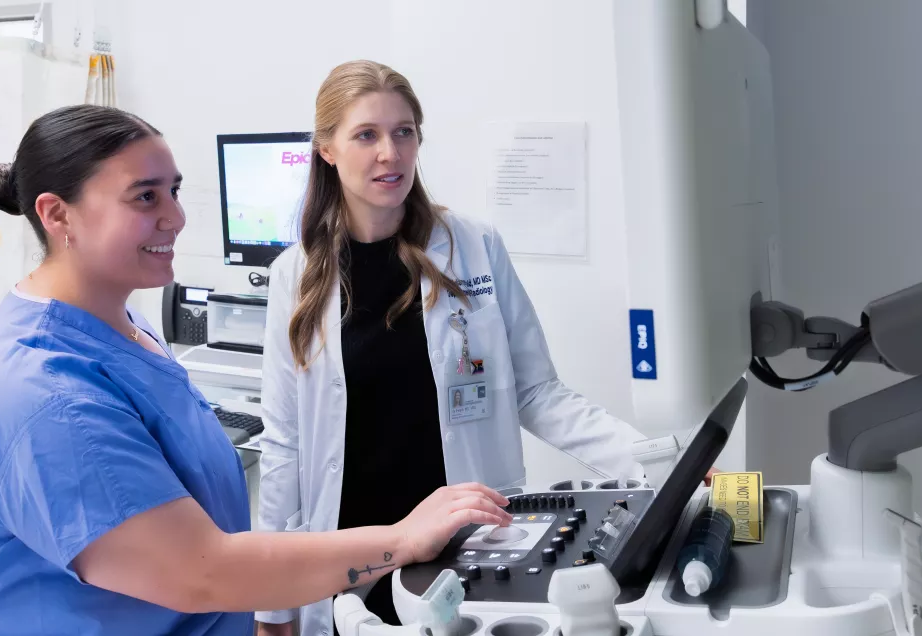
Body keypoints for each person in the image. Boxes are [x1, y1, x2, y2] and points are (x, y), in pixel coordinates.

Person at [0, 104, 514, 636]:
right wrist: (403, 539)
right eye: (145, 196)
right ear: (57, 215)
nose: (176, 217)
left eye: (173, 190)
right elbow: (201, 572)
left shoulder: (124, 329)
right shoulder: (43, 394)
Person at [255, 60, 648, 635]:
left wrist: (655, 459)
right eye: (366, 134)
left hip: (463, 549)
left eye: (404, 132)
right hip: (351, 557)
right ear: (327, 150)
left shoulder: (474, 246)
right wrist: (274, 606)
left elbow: (537, 392)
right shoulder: (296, 275)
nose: (390, 152)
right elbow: (284, 444)